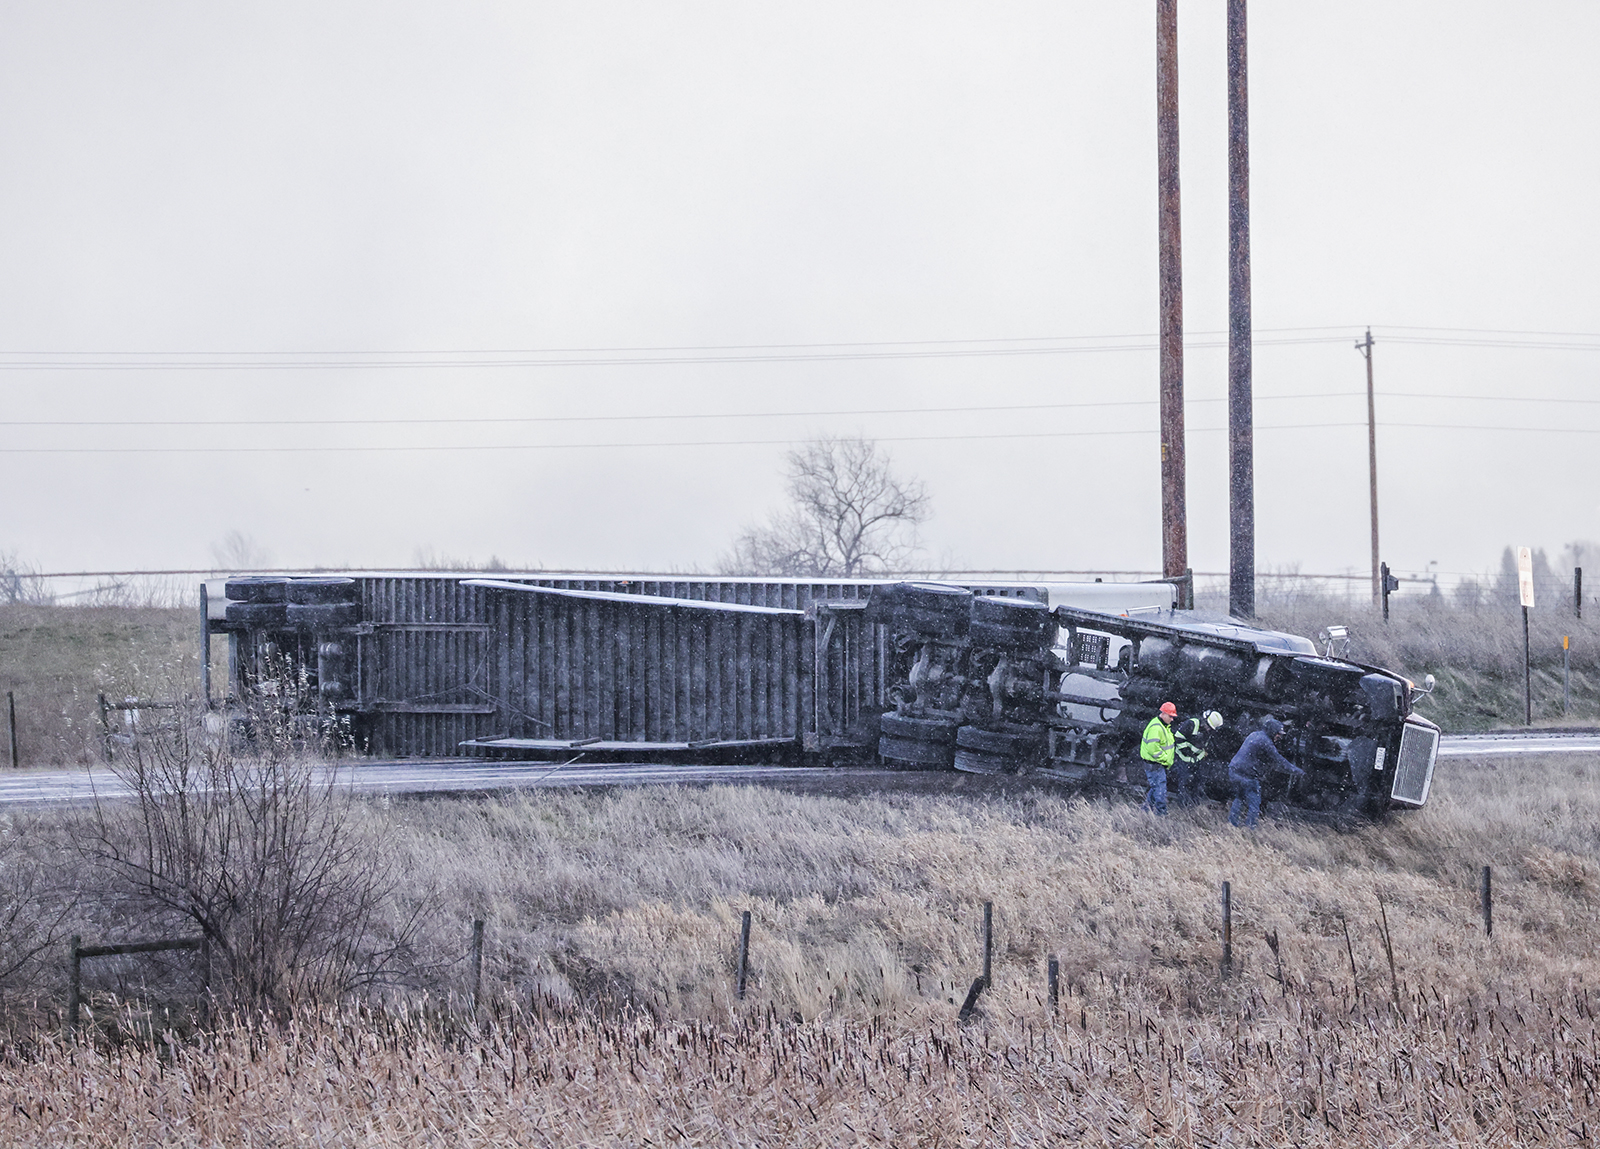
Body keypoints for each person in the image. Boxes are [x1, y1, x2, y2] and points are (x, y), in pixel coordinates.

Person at [1226, 716, 1305, 828]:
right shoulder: (1266, 742)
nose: (1279, 737)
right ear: (1272, 731)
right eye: (1278, 734)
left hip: (1234, 770)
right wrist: (1298, 771)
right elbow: (1279, 760)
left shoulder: (1254, 734)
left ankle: (1232, 824)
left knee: (1239, 798)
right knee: (1254, 803)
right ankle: (1250, 828)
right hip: (1247, 776)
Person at [1171, 709, 1223, 805]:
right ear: (1204, 721)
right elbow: (1178, 739)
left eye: (1211, 728)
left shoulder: (1209, 731)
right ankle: (1183, 808)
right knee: (1184, 783)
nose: (1208, 729)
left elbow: (1206, 744)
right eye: (1208, 727)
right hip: (1184, 758)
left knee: (1198, 783)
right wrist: (1187, 751)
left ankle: (1194, 806)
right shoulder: (1191, 724)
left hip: (1198, 760)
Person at [1139, 702, 1178, 816]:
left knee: (1155, 788)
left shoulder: (1163, 726)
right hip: (1155, 764)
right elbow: (1153, 749)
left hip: (1157, 764)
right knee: (1160, 790)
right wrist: (1165, 759)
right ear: (1164, 714)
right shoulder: (1157, 728)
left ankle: (1145, 811)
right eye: (1170, 716)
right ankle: (1161, 814)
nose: (1172, 719)